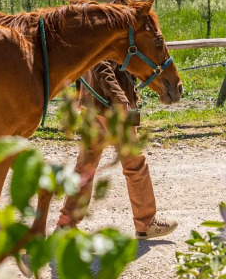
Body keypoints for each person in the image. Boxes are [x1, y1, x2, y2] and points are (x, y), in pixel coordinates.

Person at [55, 57, 176, 239]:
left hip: (93, 102)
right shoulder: (108, 27)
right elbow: (101, 64)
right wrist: (119, 97)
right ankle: (146, 223)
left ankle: (66, 224)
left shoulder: (91, 27)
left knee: (86, 165)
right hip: (110, 105)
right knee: (135, 163)